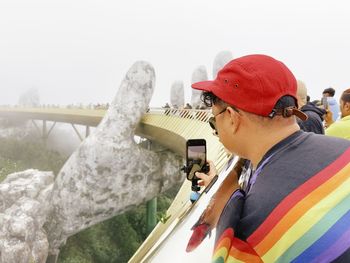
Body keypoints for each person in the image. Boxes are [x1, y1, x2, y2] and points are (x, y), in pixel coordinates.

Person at [187, 54, 350, 262]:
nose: (215, 129)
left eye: (214, 120)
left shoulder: (248, 231)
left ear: (232, 117)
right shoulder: (345, 151)